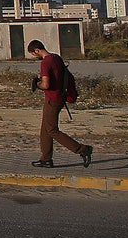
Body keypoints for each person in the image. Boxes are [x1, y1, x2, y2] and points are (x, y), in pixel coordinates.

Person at [27, 39, 92, 168]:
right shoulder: (56, 57)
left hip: (53, 99)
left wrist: (37, 84)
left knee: (52, 130)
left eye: (34, 54)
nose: (35, 57)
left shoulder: (46, 62)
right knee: (45, 129)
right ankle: (46, 159)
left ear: (37, 50)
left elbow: (46, 84)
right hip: (60, 97)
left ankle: (82, 149)